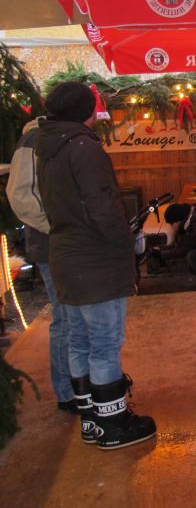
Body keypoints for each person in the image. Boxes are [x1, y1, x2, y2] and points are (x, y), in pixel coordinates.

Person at [36, 81, 156, 450]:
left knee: (79, 341)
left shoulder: (48, 147)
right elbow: (103, 205)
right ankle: (114, 423)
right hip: (95, 259)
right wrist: (125, 244)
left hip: (65, 255)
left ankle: (91, 420)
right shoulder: (84, 147)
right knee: (104, 342)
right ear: (88, 111)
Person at [7, 116, 76, 414]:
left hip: (69, 243)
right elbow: (21, 195)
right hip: (52, 244)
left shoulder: (65, 137)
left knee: (76, 318)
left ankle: (80, 384)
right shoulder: (34, 139)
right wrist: (57, 226)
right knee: (65, 318)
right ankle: (67, 391)